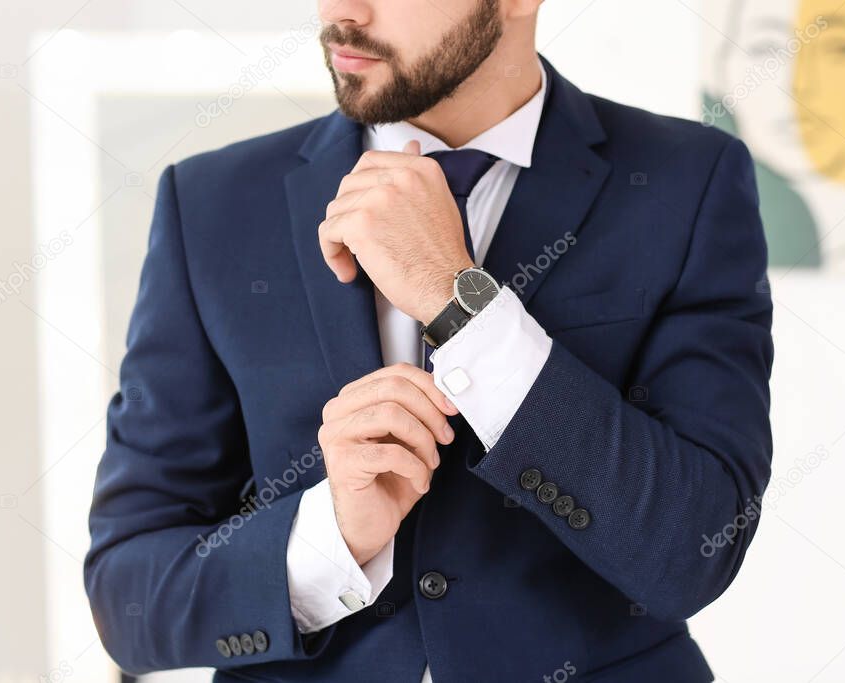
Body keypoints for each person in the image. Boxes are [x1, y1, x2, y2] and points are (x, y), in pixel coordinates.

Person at [84, 1, 774, 681]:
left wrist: (461, 300)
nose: (342, 11)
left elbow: (696, 550)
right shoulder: (212, 203)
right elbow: (127, 595)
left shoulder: (688, 183)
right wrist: (332, 537)